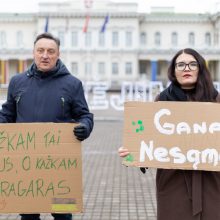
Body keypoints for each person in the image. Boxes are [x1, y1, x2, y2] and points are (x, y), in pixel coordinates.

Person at [0, 33, 93, 220]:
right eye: (40, 50)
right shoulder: (18, 82)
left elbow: (84, 115)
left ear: (58, 54)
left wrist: (85, 126)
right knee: (28, 215)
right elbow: (7, 113)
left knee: (62, 214)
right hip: (25, 165)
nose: (45, 55)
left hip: (60, 167)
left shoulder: (72, 84)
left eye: (51, 51)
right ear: (33, 53)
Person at [118, 48, 220, 220]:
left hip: (211, 182)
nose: (186, 68)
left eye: (192, 64)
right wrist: (133, 152)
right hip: (174, 182)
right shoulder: (162, 101)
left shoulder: (216, 101)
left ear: (200, 69)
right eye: (180, 65)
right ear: (173, 71)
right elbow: (149, 142)